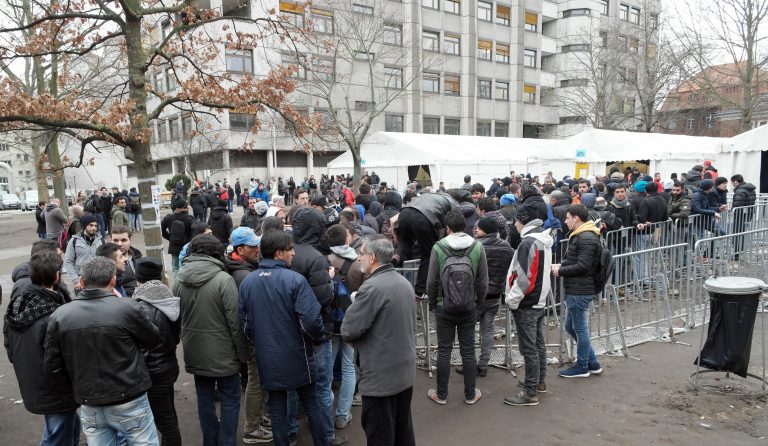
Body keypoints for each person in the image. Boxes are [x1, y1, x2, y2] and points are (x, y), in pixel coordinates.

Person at [44, 256, 162, 444]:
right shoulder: (128, 308)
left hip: (90, 401)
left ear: (81, 281)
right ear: (113, 280)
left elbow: (52, 367)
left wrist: (79, 390)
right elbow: (154, 340)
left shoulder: (60, 315)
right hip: (129, 396)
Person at [238, 230, 328, 446]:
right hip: (298, 355)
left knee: (277, 408)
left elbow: (245, 324)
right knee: (311, 404)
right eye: (290, 249)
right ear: (279, 253)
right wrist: (317, 340)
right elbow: (311, 320)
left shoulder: (248, 283)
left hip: (267, 356)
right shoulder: (295, 280)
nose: (294, 254)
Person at [173, 234, 252, 446]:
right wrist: (243, 353)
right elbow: (235, 322)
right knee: (230, 398)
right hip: (224, 351)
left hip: (194, 349)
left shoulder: (179, 279)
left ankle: (210, 439)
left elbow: (176, 316)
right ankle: (227, 441)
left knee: (204, 398)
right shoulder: (223, 280)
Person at [341, 235, 417, 446]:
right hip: (403, 371)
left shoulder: (372, 288)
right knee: (403, 430)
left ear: (372, 257)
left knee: (380, 434)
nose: (358, 258)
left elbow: (348, 330)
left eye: (362, 253)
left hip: (380, 375)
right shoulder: (403, 281)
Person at [4, 251, 80, 446]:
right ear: (57, 276)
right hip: (55, 389)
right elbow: (62, 359)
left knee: (68, 428)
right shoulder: (53, 316)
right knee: (56, 437)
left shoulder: (20, 304)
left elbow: (9, 345)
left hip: (34, 381)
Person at [289, 207, 345, 445]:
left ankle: (291, 430)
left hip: (289, 330)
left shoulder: (285, 251)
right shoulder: (315, 258)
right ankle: (327, 435)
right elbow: (323, 298)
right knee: (322, 386)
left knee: (292, 384)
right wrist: (330, 280)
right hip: (316, 330)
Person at [426, 209, 488, 405]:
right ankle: (470, 394)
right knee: (468, 351)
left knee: (444, 350)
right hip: (469, 306)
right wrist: (478, 304)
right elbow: (483, 281)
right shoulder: (477, 247)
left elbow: (432, 281)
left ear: (448, 228)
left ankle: (441, 394)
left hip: (444, 306)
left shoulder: (439, 247)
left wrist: (432, 303)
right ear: (466, 227)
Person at [225, 227, 274, 444]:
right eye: (252, 246)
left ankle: (257, 418)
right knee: (256, 382)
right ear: (240, 249)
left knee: (257, 381)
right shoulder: (243, 274)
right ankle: (252, 428)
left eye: (257, 245)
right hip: (253, 336)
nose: (257, 249)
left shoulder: (243, 266)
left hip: (251, 335)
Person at [503, 208, 553, 406]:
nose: (514, 225)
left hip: (527, 302)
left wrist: (512, 299)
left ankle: (530, 392)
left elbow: (525, 278)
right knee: (537, 344)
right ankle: (538, 382)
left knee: (529, 348)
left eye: (516, 222)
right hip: (538, 299)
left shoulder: (528, 243)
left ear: (522, 222)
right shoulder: (542, 241)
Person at [133, 258, 182, 446]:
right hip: (168, 366)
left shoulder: (140, 306)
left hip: (152, 372)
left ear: (138, 279)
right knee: (168, 414)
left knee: (165, 423)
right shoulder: (168, 298)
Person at [552, 205, 603, 378]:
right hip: (577, 288)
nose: (565, 221)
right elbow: (576, 260)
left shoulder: (586, 237)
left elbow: (584, 265)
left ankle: (582, 366)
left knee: (580, 328)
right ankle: (593, 363)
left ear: (576, 218)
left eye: (567, 218)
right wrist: (561, 265)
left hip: (580, 289)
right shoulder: (582, 235)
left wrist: (561, 271)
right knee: (571, 326)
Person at [326, 224, 364, 430]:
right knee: (349, 367)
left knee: (328, 367)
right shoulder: (359, 263)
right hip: (352, 322)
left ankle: (325, 410)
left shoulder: (324, 261)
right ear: (347, 240)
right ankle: (342, 415)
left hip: (330, 323)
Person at [466, 217, 514, 377]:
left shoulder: (474, 246)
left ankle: (470, 364)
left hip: (475, 296)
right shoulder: (507, 248)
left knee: (468, 331)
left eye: (478, 228)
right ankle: (483, 364)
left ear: (485, 230)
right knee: (487, 329)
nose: (475, 230)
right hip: (494, 296)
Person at [395, 190, 460, 297]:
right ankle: (420, 290)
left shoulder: (431, 194)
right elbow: (453, 223)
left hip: (404, 213)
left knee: (404, 244)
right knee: (428, 254)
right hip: (423, 218)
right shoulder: (453, 202)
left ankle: (394, 260)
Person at [63, 214, 104, 292]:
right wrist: (76, 280)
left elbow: (106, 260)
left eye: (95, 226)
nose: (94, 228)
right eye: (91, 225)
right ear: (84, 226)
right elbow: (68, 261)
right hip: (81, 281)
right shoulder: (74, 241)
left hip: (98, 281)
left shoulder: (101, 240)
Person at [162, 199, 196, 278]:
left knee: (175, 267)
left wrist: (169, 237)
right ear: (184, 207)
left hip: (174, 246)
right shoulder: (189, 219)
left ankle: (175, 287)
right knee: (188, 267)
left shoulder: (169, 218)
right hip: (187, 247)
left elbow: (162, 229)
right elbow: (196, 230)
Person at [731, 174, 757, 256]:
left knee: (737, 234)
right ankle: (739, 251)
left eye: (732, 183)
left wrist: (733, 212)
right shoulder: (751, 189)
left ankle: (736, 253)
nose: (732, 185)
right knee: (742, 233)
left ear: (735, 182)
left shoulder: (740, 191)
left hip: (740, 216)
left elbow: (738, 204)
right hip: (748, 215)